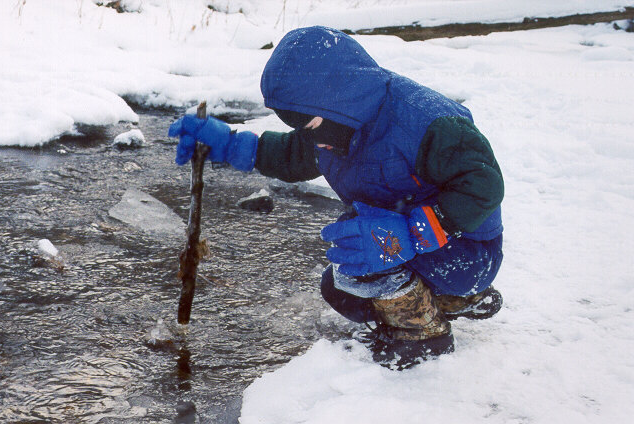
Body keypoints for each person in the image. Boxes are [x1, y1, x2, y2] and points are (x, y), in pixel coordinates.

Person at [168, 26, 504, 369]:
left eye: (311, 127)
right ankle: (452, 299)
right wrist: (230, 144)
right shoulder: (335, 128)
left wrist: (415, 230)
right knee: (342, 287)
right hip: (412, 247)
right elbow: (292, 154)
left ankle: (424, 334)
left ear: (340, 99)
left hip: (466, 250)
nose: (313, 140)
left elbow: (484, 185)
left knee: (360, 249)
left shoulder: (426, 122)